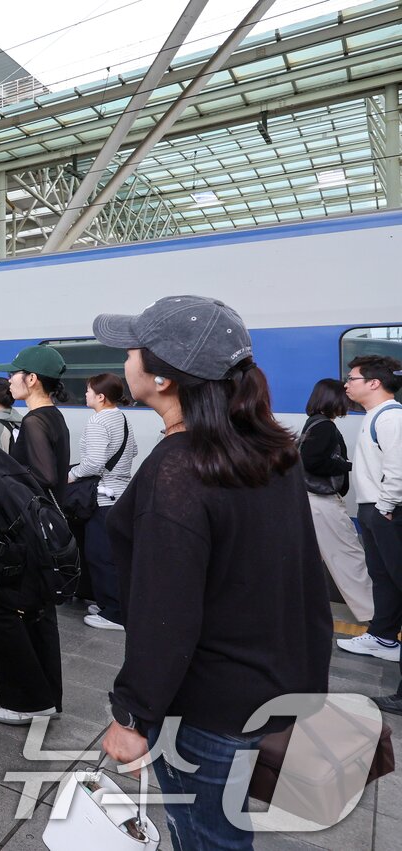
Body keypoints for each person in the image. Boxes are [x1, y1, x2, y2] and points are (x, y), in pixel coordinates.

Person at [95, 295, 332, 847]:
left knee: (206, 837)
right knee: (225, 831)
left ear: (161, 378)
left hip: (204, 706)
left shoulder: (178, 470)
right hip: (268, 685)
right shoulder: (269, 450)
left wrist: (131, 716)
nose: (126, 359)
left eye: (134, 348)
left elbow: (165, 613)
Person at [0, 344, 69, 726]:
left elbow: (43, 477)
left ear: (32, 380)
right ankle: (47, 696)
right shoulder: (54, 417)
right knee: (38, 614)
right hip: (48, 533)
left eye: (15, 375)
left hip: (29, 535)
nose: (9, 380)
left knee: (5, 611)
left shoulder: (34, 422)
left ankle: (26, 701)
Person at [339, 355, 402, 666]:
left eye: (352, 378)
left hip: (386, 511)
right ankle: (383, 637)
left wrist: (386, 506)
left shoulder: (391, 418)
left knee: (396, 575)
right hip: (374, 509)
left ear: (374, 383)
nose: (347, 384)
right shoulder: (375, 414)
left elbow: (397, 468)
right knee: (383, 576)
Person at [297, 379, 374, 623]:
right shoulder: (325, 427)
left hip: (311, 501)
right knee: (349, 556)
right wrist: (350, 465)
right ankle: (375, 612)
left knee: (310, 558)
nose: (348, 400)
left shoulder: (315, 422)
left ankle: (297, 606)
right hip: (322, 502)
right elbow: (312, 461)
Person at [70, 373, 138, 631]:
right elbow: (133, 452)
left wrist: (71, 475)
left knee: (99, 555)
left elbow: (94, 462)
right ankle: (108, 603)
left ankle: (115, 614)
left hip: (103, 496)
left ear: (100, 396)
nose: (85, 394)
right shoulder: (121, 417)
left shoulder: (98, 420)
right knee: (109, 554)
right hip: (119, 494)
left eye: (88, 391)